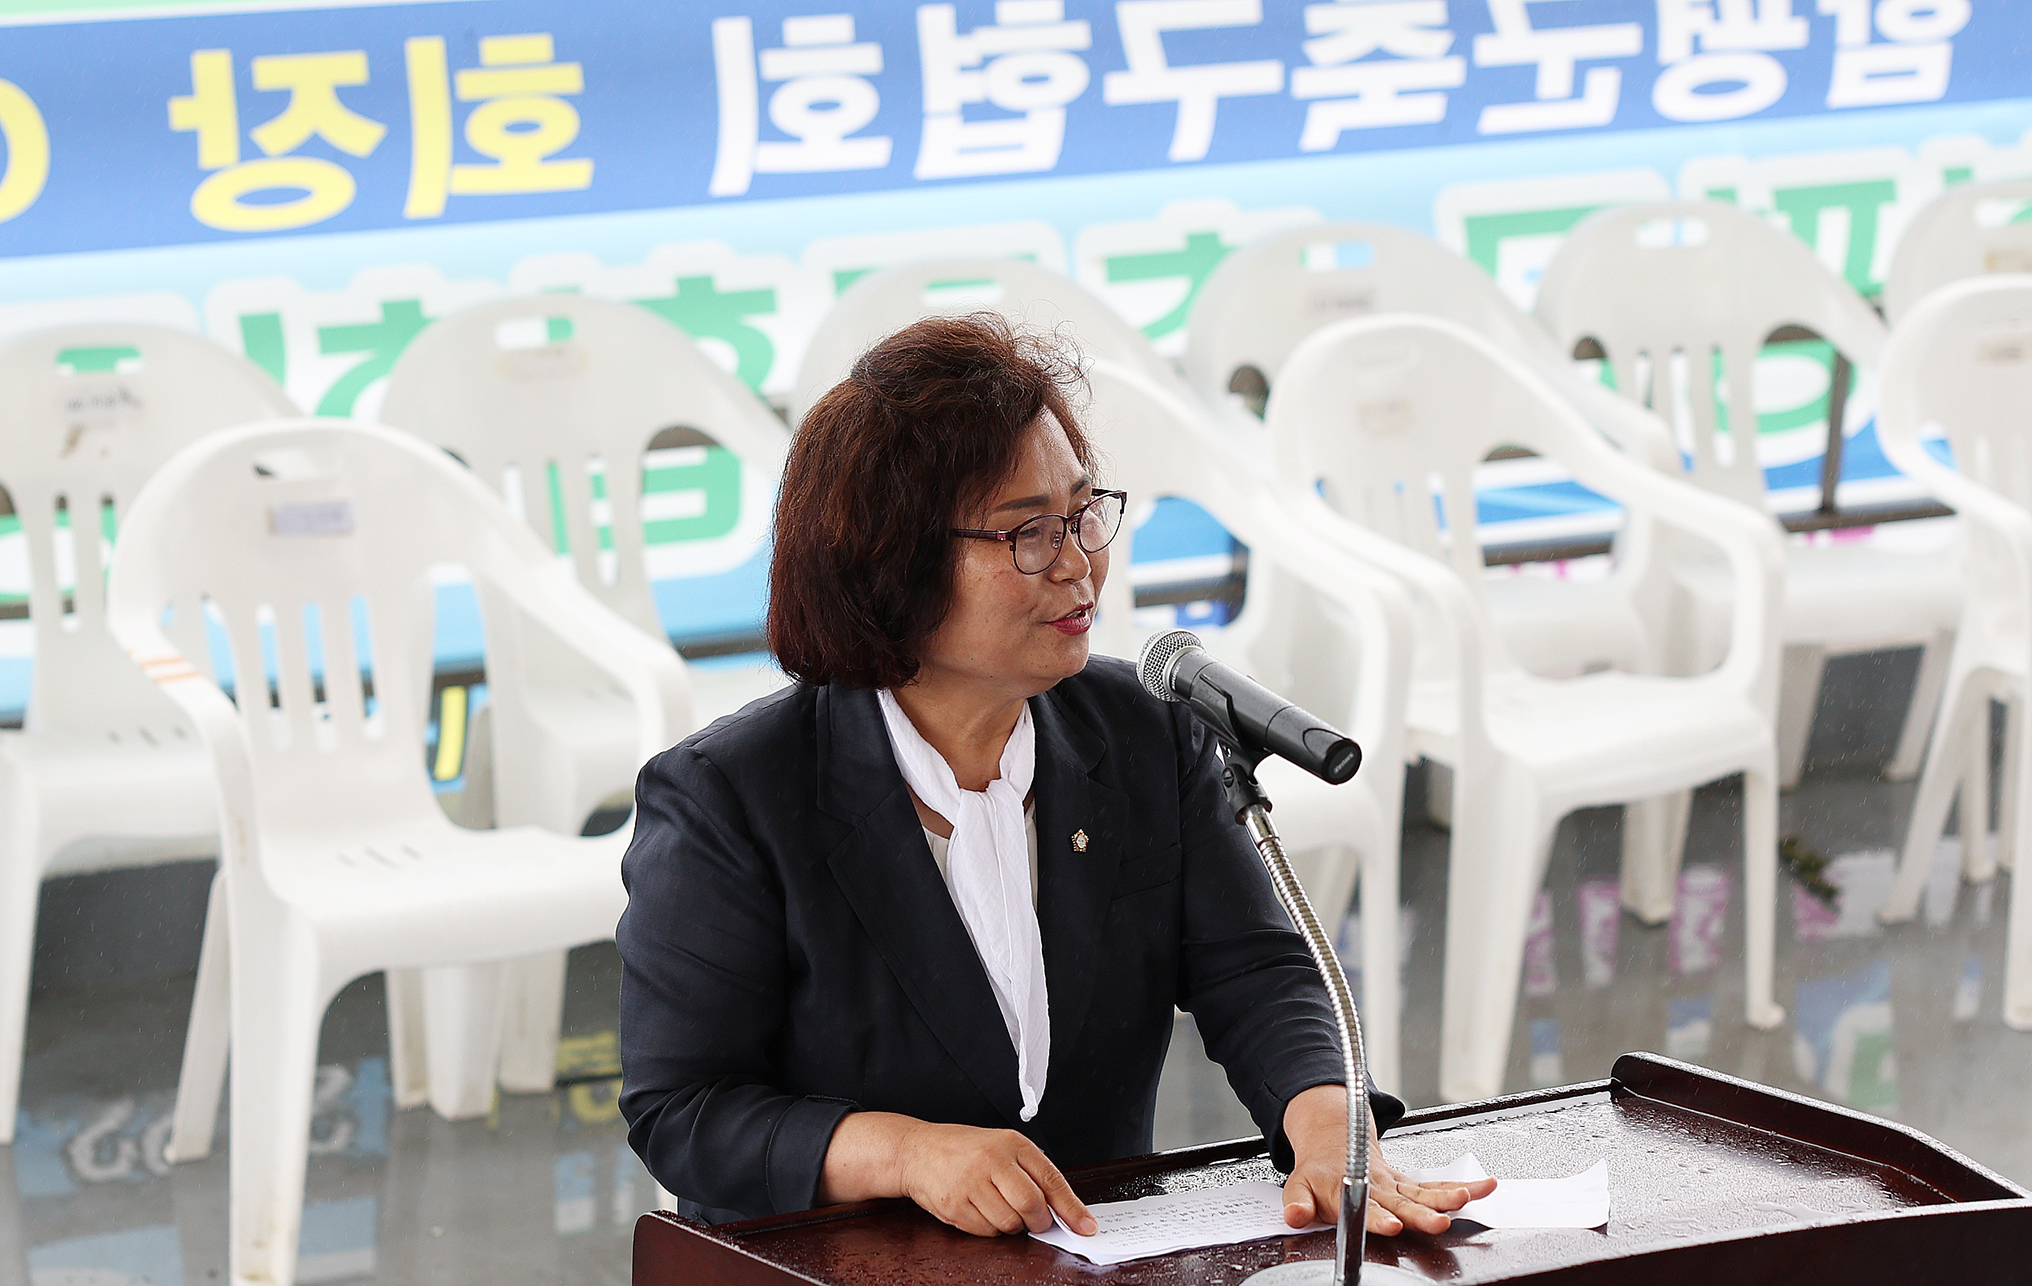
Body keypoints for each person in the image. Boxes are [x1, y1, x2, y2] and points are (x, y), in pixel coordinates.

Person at [616, 313, 1493, 1239]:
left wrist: (1326, 1126)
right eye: (1028, 533)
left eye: (1083, 515)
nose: (1079, 564)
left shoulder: (1148, 731)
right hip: (831, 1259)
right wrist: (905, 1153)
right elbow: (682, 1109)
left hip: (1087, 1254)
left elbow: (1255, 970)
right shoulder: (728, 798)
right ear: (891, 564)